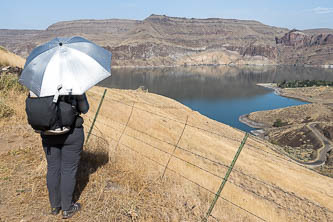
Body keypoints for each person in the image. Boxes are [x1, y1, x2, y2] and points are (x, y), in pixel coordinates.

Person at [36, 92, 89, 219]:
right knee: (68, 170)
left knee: (53, 168)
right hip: (72, 134)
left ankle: (55, 207)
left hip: (49, 134)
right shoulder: (73, 83)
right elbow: (85, 109)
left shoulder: (42, 85)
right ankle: (67, 208)